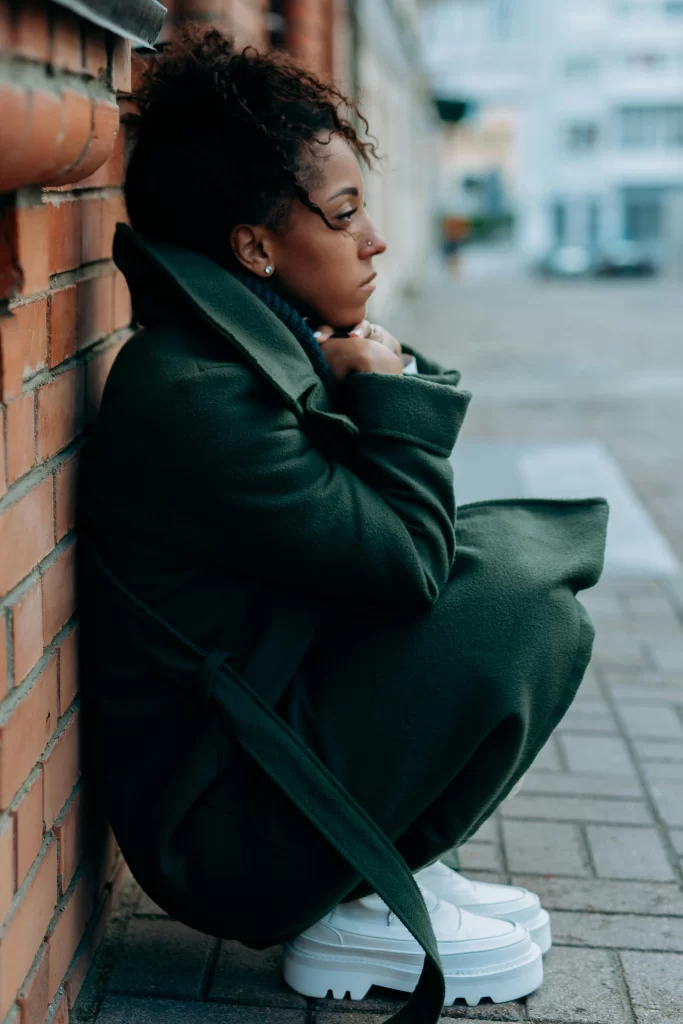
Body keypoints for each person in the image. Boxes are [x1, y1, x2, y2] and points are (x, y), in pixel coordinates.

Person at [77, 29, 609, 1023]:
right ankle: (346, 887)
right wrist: (394, 390)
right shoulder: (198, 395)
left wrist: (374, 377)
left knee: (516, 560)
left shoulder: (244, 351)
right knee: (516, 611)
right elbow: (406, 561)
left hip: (261, 729)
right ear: (254, 246)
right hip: (225, 821)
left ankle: (384, 859)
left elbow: (386, 551)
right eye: (345, 212)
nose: (374, 241)